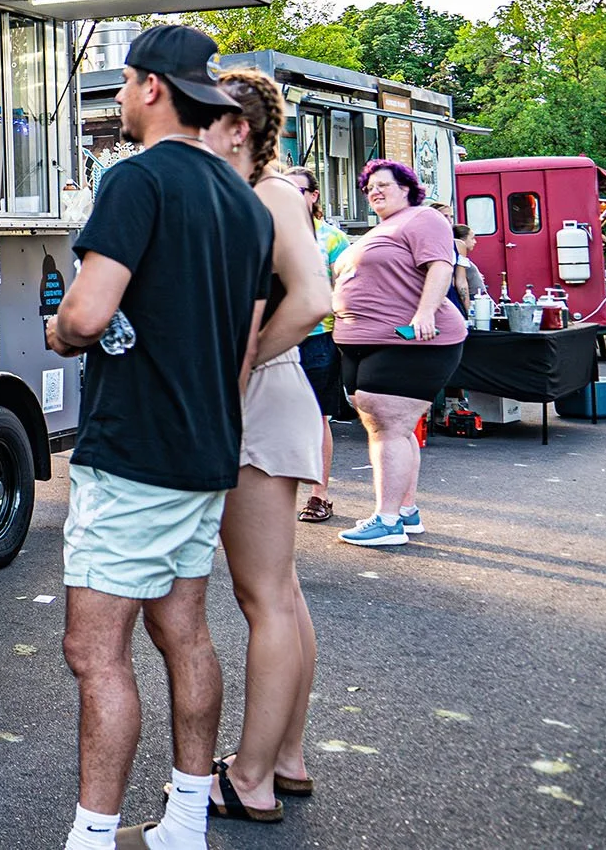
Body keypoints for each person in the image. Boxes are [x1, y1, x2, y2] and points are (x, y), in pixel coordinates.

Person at [46, 24, 272, 850]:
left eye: (125, 84)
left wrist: (65, 330)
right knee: (185, 631)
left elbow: (88, 310)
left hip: (135, 446)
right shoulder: (245, 203)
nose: (117, 99)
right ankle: (182, 823)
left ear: (149, 87)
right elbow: (245, 346)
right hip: (205, 450)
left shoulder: (135, 181)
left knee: (93, 647)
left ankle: (93, 836)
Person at [199, 70, 332, 823]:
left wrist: (242, 366)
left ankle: (249, 776)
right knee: (280, 593)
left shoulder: (271, 194)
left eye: (207, 120)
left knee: (264, 598)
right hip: (269, 398)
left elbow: (315, 299)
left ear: (238, 128)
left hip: (260, 401)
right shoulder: (268, 192)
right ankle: (286, 756)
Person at [331, 159, 467, 549]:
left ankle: (387, 519)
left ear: (406, 187)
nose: (374, 191)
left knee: (388, 424)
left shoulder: (422, 219)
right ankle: (405, 512)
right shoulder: (381, 229)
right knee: (392, 425)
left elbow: (441, 265)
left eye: (383, 185)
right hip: (365, 341)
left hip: (410, 339)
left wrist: (425, 312)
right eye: (369, 187)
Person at [287, 167, 348, 524]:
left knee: (316, 419)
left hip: (318, 339)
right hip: (273, 342)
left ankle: (318, 495)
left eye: (299, 191)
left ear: (313, 197)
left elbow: (348, 292)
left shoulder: (332, 239)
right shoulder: (269, 234)